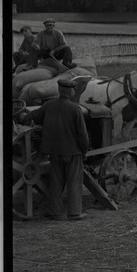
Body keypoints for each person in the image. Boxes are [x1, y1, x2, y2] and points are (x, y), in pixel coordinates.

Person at [30, 78, 90, 221]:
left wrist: (23, 116)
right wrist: (84, 150)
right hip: (72, 151)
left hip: (54, 151)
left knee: (56, 181)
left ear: (59, 90)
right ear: (70, 91)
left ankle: (56, 212)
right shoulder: (75, 108)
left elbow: (34, 117)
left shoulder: (49, 105)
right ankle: (74, 212)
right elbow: (82, 134)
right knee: (74, 180)